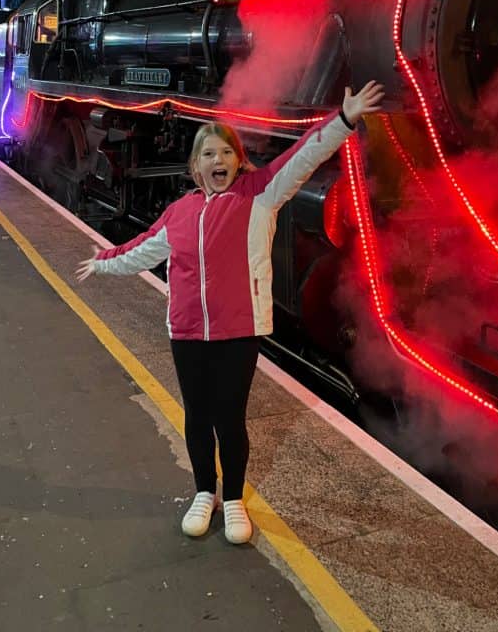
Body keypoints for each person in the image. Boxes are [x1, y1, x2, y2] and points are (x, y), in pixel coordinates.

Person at [77, 81, 385, 544]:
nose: (217, 161)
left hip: (238, 329)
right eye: (207, 155)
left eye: (225, 153)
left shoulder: (261, 194)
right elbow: (143, 250)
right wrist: (103, 262)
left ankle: (235, 498)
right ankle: (205, 493)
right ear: (195, 165)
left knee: (230, 417)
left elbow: (303, 157)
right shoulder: (179, 211)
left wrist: (343, 120)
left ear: (238, 161)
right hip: (185, 330)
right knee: (197, 416)